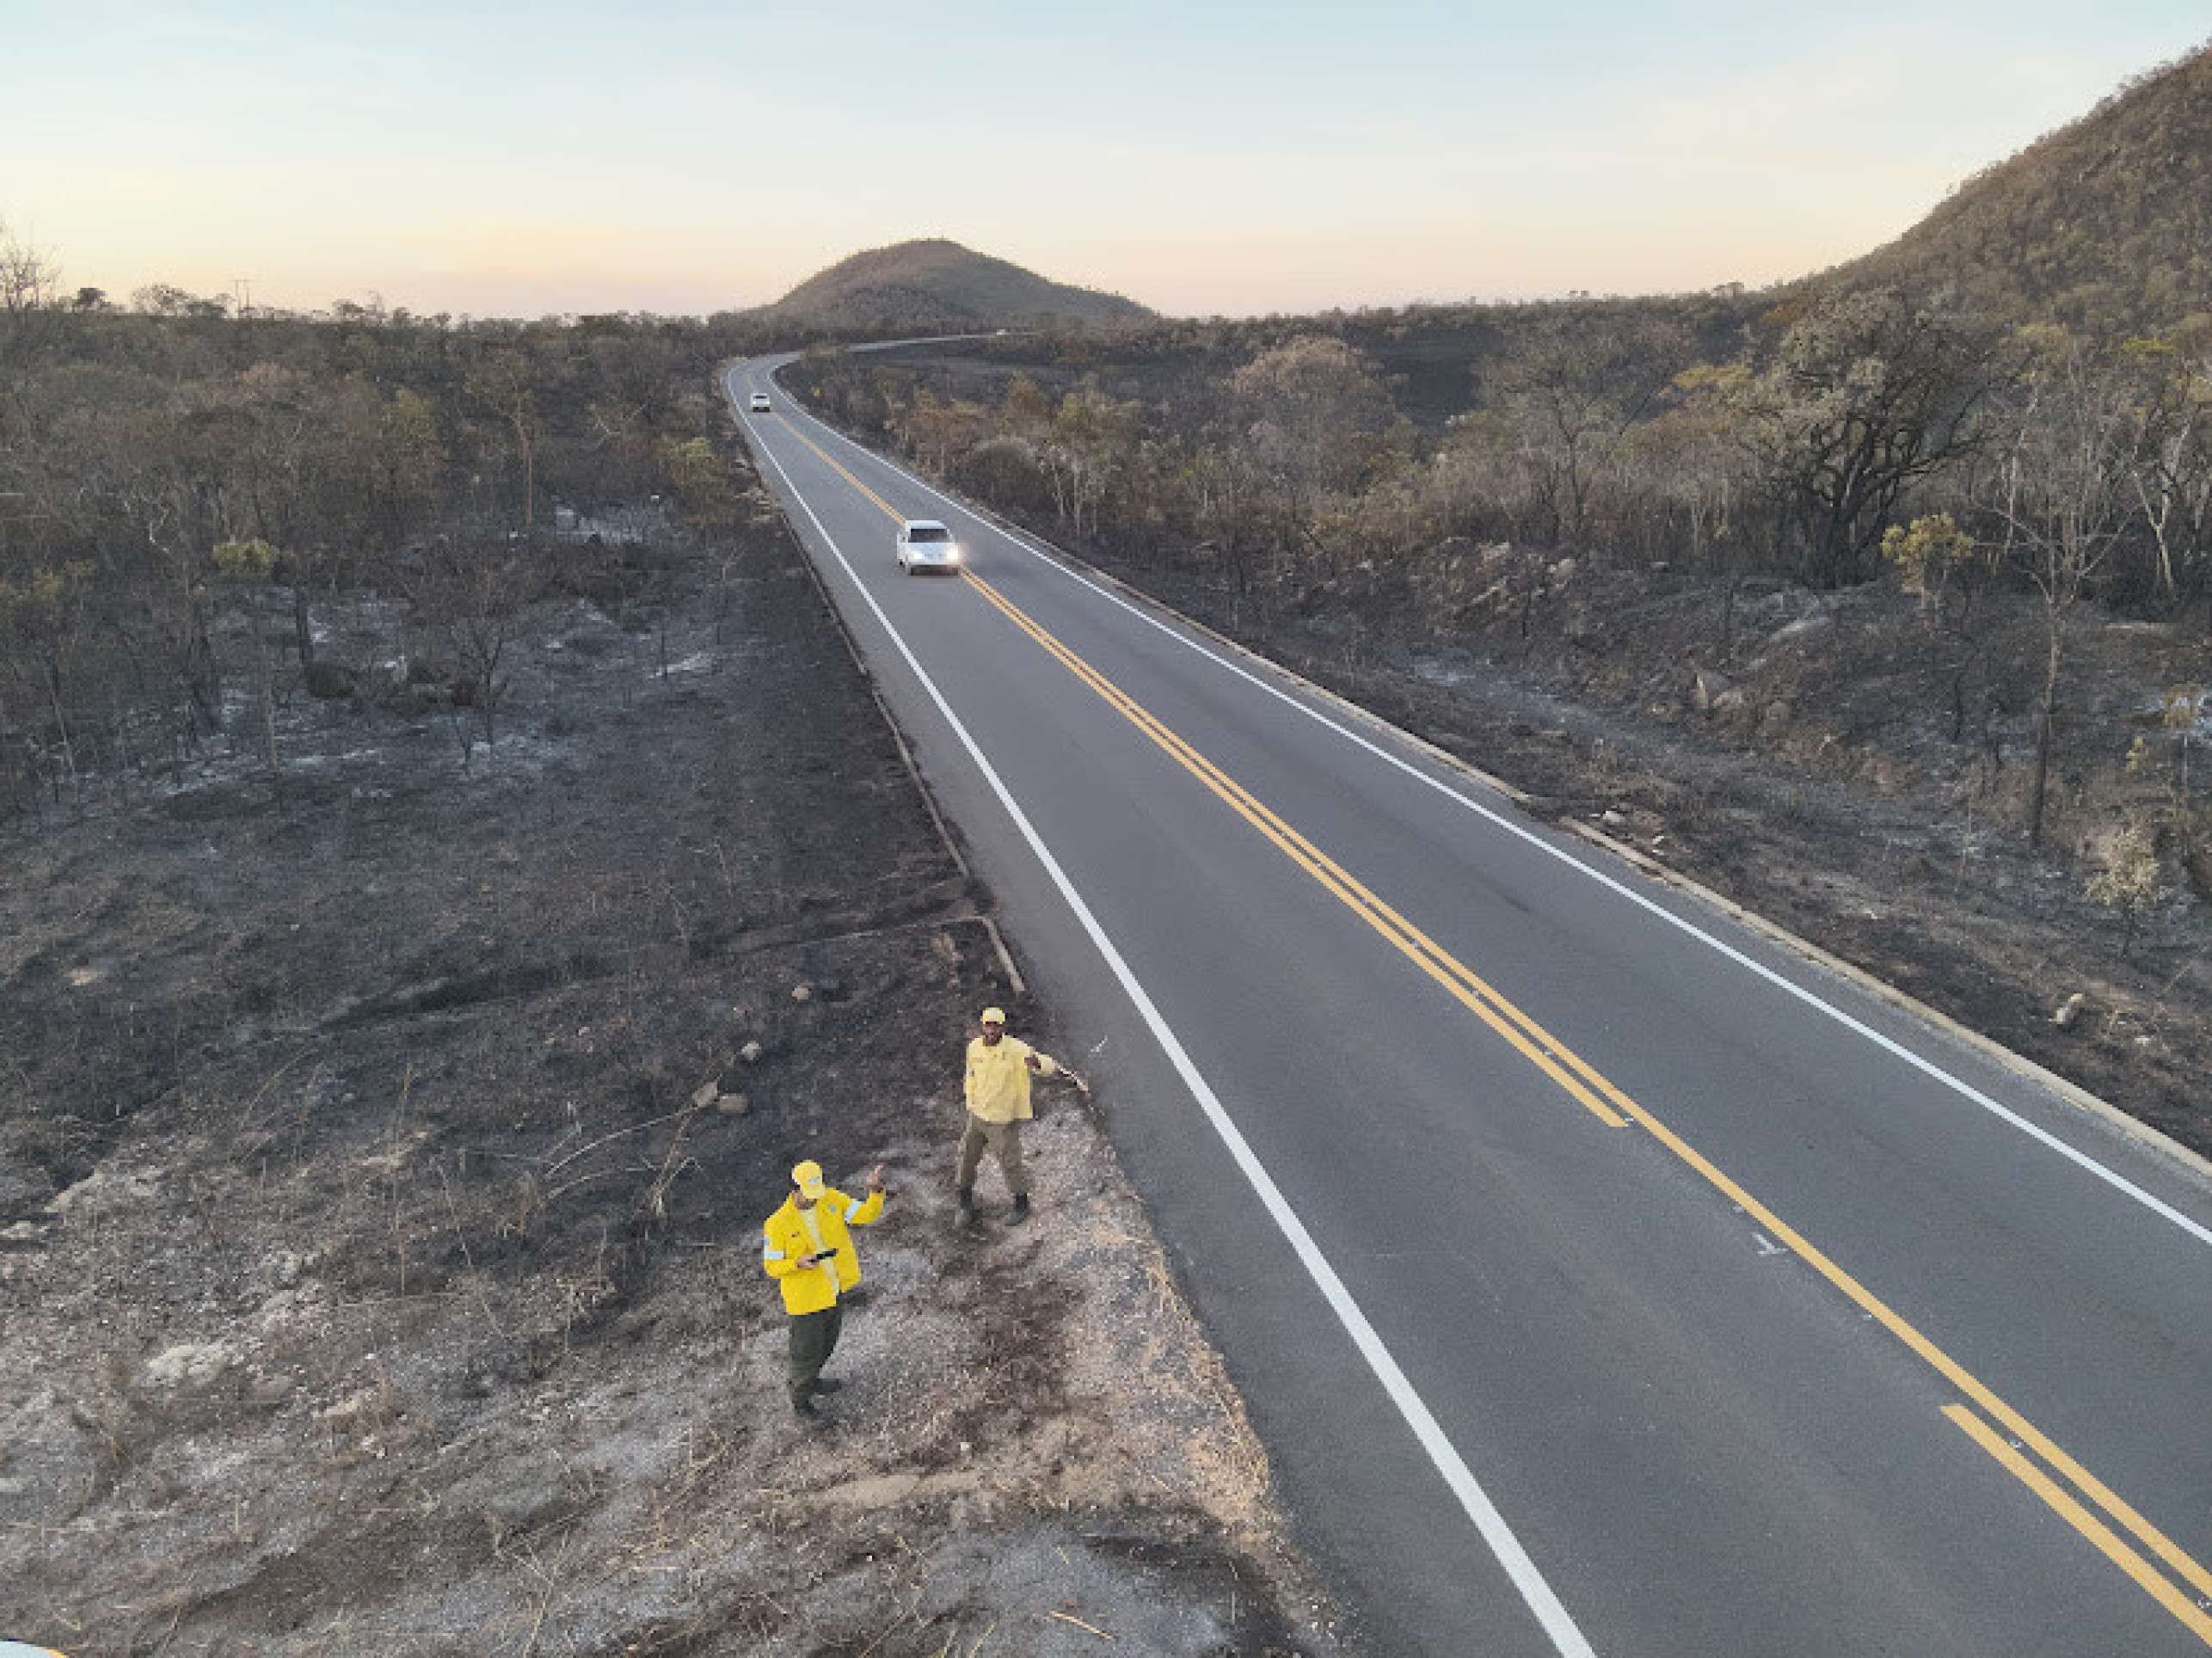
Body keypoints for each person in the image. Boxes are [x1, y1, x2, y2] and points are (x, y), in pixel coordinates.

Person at [762, 1159, 886, 1419]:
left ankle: (812, 1381)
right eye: (808, 1195)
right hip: (805, 1301)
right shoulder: (776, 1224)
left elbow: (864, 1215)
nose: (813, 1200)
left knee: (826, 1344)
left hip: (833, 1291)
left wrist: (875, 1193)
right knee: (805, 1353)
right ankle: (801, 1402)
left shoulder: (830, 1199)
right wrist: (795, 1263)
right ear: (794, 1190)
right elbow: (771, 1266)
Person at [956, 1006, 1073, 1227]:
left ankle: (1022, 1204)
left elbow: (1048, 1065)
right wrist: (970, 1098)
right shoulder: (974, 1048)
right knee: (966, 1158)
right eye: (988, 1024)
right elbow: (970, 1075)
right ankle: (964, 1205)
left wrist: (1038, 1064)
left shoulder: (1017, 1049)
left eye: (996, 1025)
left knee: (1010, 1163)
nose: (991, 1029)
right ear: (982, 1026)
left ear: (1003, 1027)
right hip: (977, 1116)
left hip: (1003, 1120)